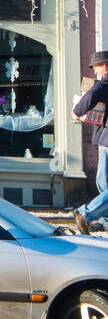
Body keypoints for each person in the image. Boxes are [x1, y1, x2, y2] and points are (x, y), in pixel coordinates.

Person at [71, 50, 108, 233]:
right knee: (103, 184)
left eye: (96, 68)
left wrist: (76, 111)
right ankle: (106, 221)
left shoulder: (105, 82)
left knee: (105, 184)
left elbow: (93, 94)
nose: (95, 72)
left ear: (105, 66)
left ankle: (85, 214)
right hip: (105, 139)